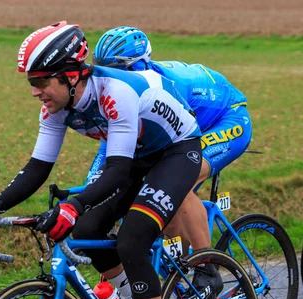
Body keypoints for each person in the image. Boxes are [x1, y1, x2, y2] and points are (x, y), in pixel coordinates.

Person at [0, 21, 205, 299]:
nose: (36, 92)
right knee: (86, 234)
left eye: (41, 82)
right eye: (31, 83)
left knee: (133, 238)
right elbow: (38, 167)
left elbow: (118, 170)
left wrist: (72, 206)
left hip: (175, 153)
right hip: (136, 158)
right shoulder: (58, 105)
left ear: (71, 75)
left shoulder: (116, 92)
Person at [92, 26, 252, 266]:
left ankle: (206, 271)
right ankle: (178, 269)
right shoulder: (119, 93)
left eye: (115, 71)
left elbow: (182, 146)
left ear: (137, 67)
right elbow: (110, 147)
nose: (107, 79)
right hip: (187, 129)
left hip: (227, 119)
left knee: (180, 182)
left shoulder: (164, 87)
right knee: (152, 194)